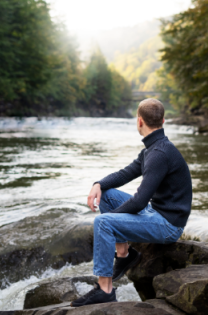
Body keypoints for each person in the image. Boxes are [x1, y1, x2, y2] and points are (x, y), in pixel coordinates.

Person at [71, 98, 192, 307]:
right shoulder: (152, 149)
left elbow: (138, 202)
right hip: (157, 213)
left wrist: (111, 220)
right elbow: (125, 173)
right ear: (163, 121)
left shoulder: (159, 154)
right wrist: (98, 184)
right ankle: (124, 255)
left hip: (168, 225)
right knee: (107, 194)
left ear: (139, 121)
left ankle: (105, 290)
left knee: (104, 223)